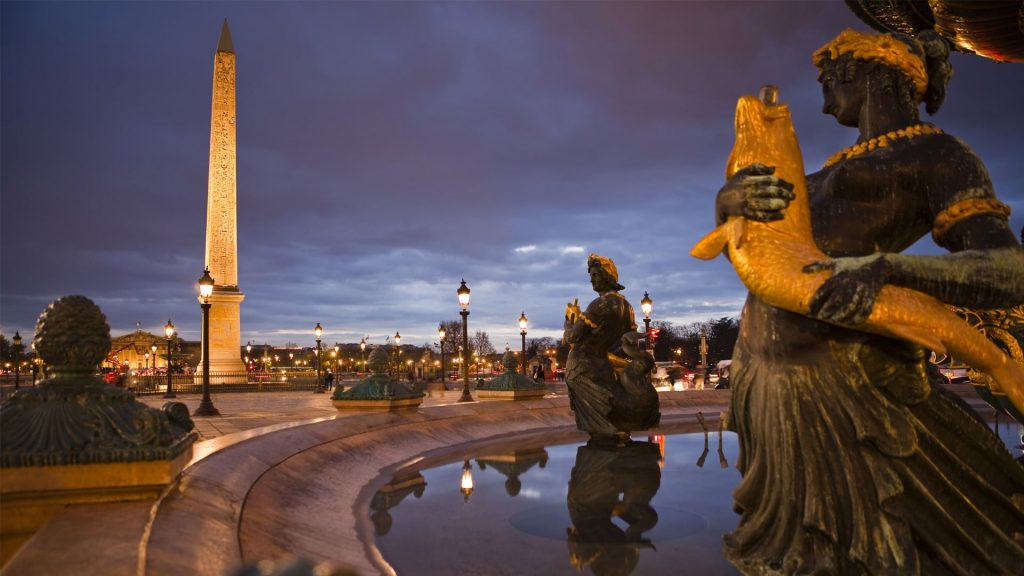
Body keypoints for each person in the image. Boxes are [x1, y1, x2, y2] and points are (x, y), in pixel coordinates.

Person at [714, 28, 1024, 574]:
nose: (823, 92)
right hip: (765, 376)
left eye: (830, 76)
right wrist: (730, 202)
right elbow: (755, 246)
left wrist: (886, 266)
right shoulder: (825, 167)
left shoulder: (938, 153)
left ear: (874, 72)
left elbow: (1008, 270)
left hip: (849, 381)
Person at [565, 254, 656, 439]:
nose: (592, 279)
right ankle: (617, 440)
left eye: (596, 275)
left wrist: (569, 318)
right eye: (591, 275)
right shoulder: (627, 307)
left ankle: (603, 451)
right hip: (604, 366)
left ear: (607, 276)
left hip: (581, 367)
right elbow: (625, 342)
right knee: (610, 408)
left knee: (598, 419)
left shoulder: (600, 304)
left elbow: (572, 337)